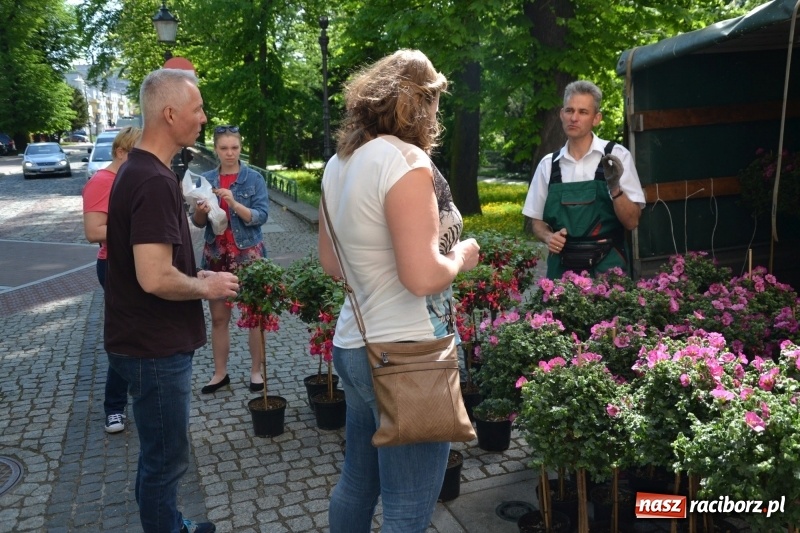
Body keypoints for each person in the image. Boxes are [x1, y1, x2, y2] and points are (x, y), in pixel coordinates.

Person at [317, 49, 481, 533]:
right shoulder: (408, 162)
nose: (436, 115)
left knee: (357, 485)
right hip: (409, 357)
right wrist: (461, 256)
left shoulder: (339, 163)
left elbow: (331, 264)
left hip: (356, 344)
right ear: (420, 103)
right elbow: (424, 278)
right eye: (434, 102)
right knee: (408, 509)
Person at [104, 68, 239, 533]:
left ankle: (169, 523)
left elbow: (156, 262)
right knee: (165, 461)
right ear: (169, 114)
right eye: (197, 109)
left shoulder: (143, 169)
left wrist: (193, 271)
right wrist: (206, 286)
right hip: (153, 347)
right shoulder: (154, 180)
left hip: (141, 340)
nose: (203, 118)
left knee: (158, 456)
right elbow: (153, 276)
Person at [522, 80, 645, 279]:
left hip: (609, 269)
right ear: (562, 114)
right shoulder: (548, 165)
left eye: (583, 112)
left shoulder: (616, 156)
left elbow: (632, 222)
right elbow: (536, 223)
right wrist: (548, 236)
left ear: (596, 118)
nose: (574, 118)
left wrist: (615, 189)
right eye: (569, 111)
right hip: (562, 271)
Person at [192, 125, 269, 394]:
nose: (230, 153)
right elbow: (198, 222)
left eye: (234, 148)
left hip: (249, 255)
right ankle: (220, 374)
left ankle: (256, 372)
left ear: (241, 147)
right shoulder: (205, 179)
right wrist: (200, 210)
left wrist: (234, 204)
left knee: (254, 317)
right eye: (224, 148)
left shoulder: (254, 178)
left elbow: (261, 216)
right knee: (219, 318)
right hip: (216, 255)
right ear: (215, 149)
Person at [81, 125, 141, 434]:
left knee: (141, 332)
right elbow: (93, 232)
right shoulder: (102, 181)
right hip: (114, 266)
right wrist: (139, 227)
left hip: (137, 264)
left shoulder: (130, 179)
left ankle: (138, 394)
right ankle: (114, 407)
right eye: (136, 152)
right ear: (120, 152)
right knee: (126, 336)